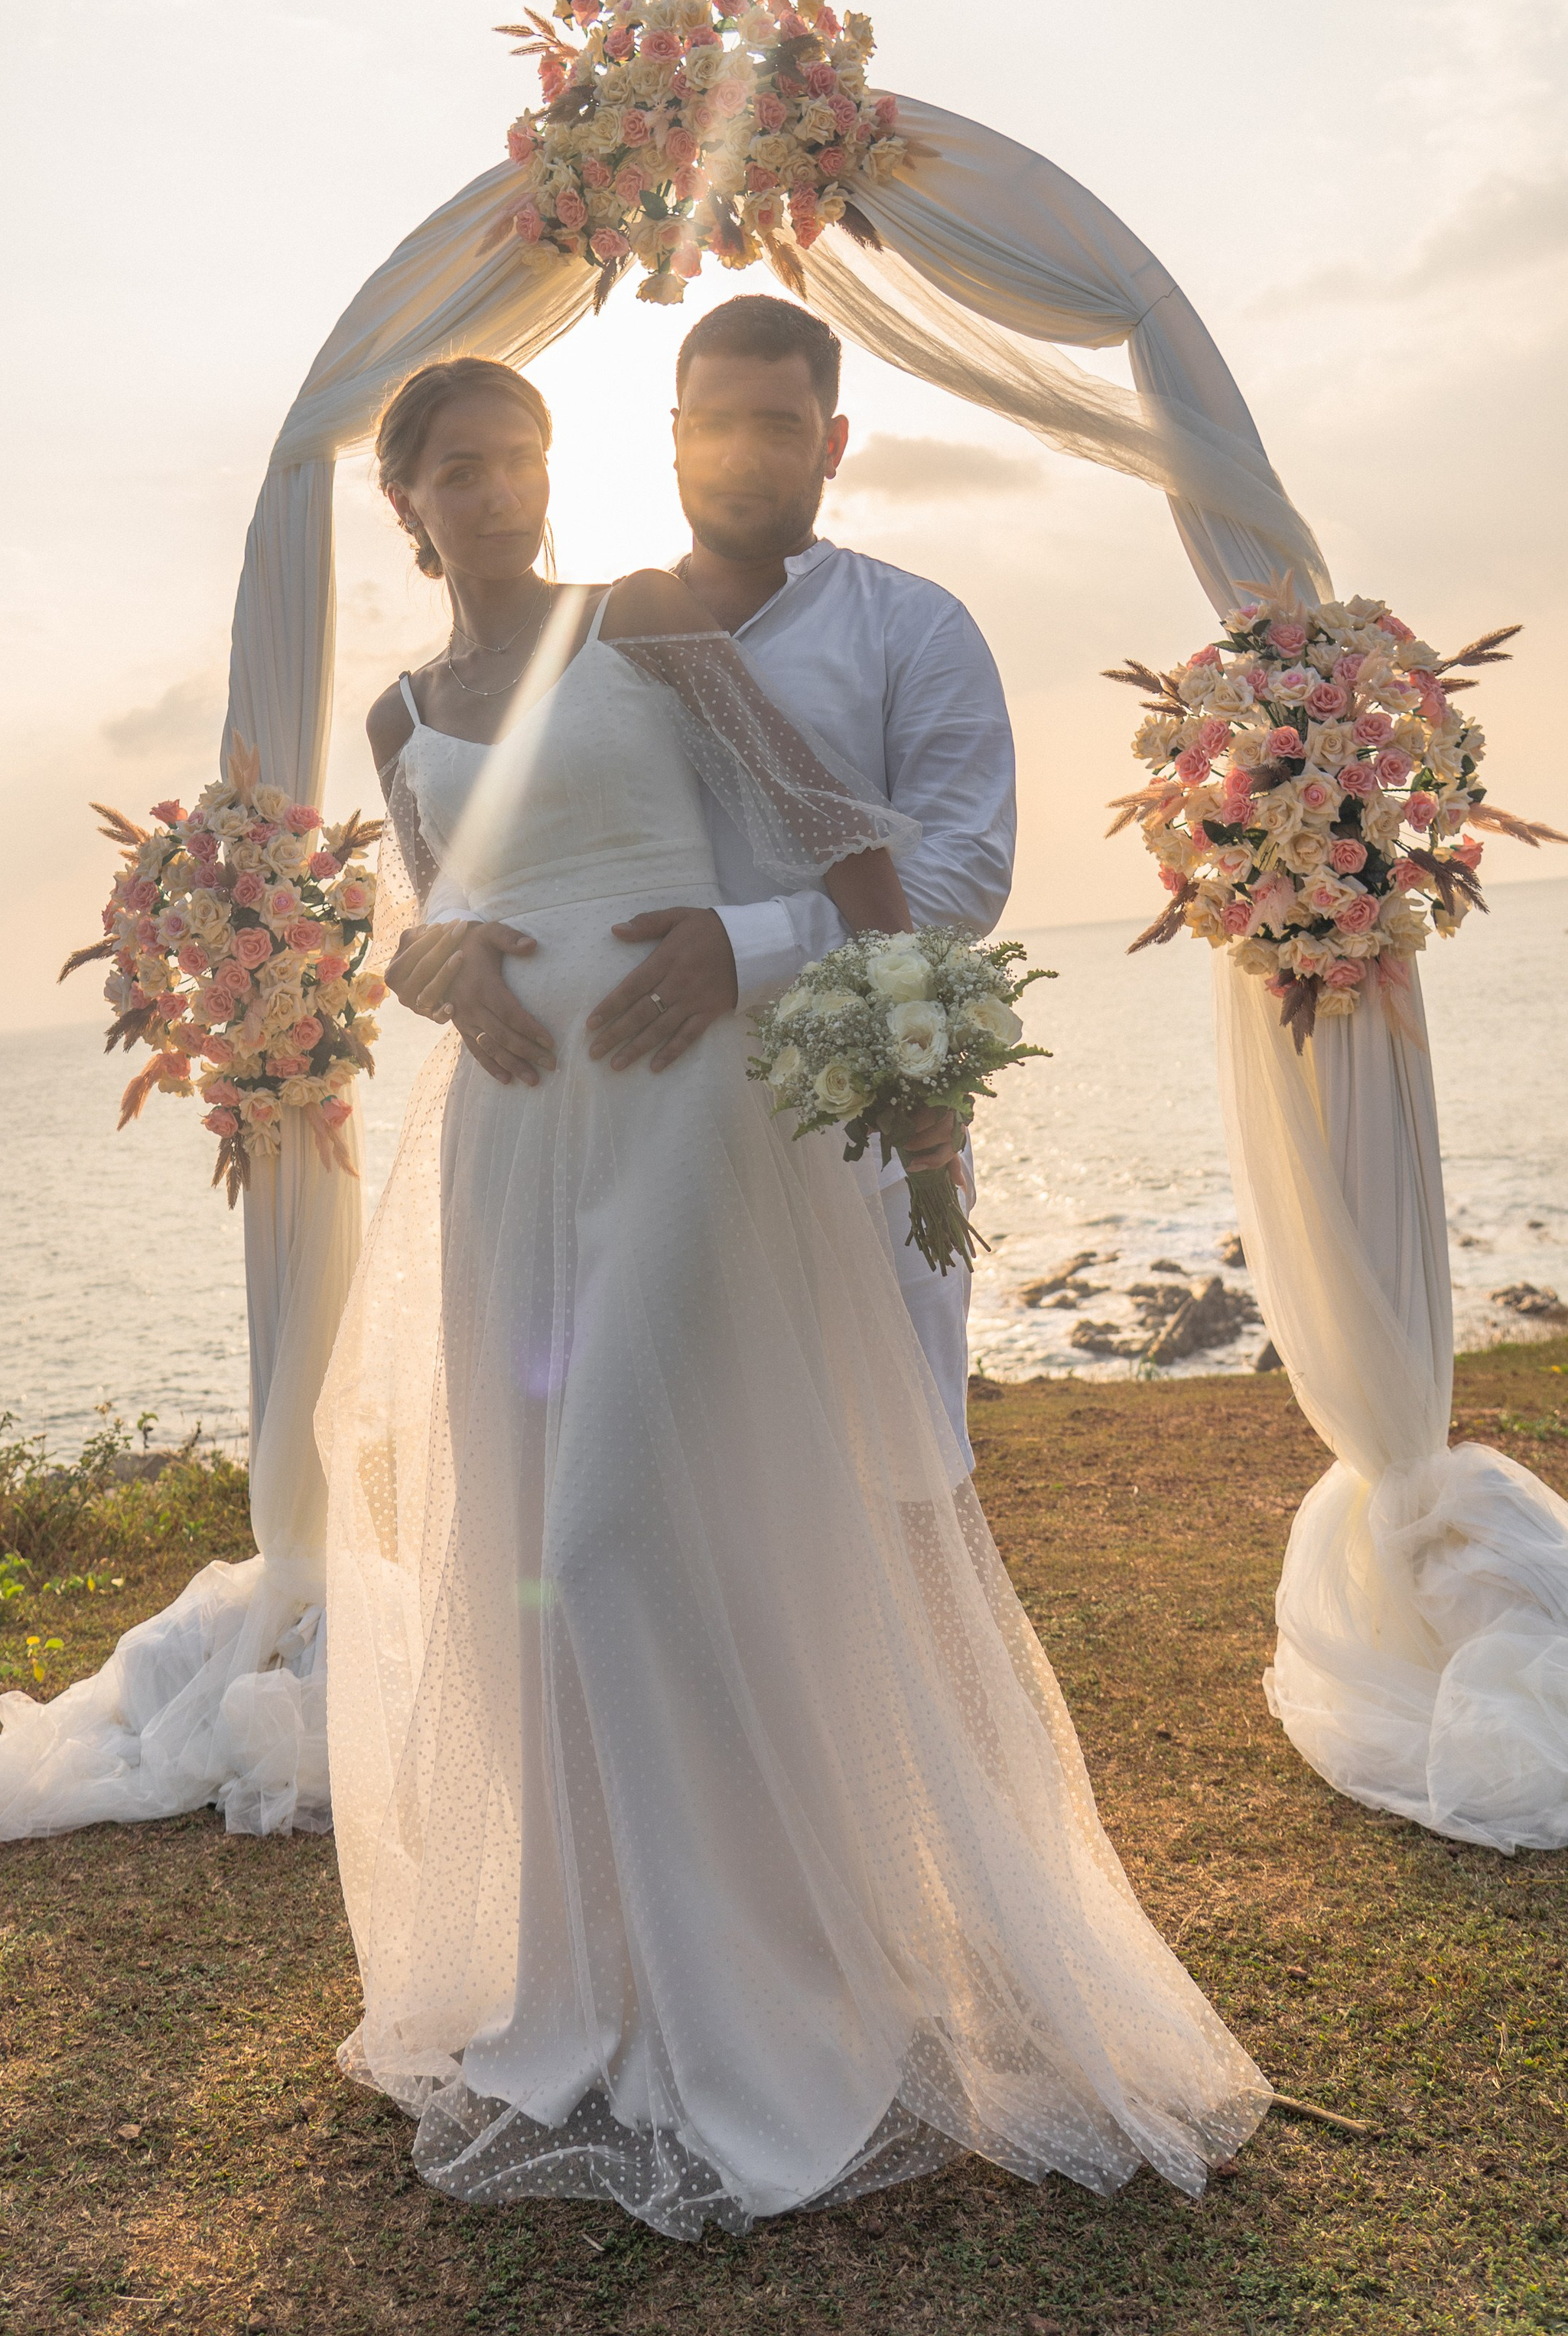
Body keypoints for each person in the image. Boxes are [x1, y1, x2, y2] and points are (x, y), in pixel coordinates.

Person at [317, 352, 1267, 2242]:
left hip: (686, 1106)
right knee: (530, 1543)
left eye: (521, 459)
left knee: (598, 1544)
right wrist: (438, 971)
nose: (498, 493)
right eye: (460, 470)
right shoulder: (392, 711)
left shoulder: (645, 620)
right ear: (403, 502)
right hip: (514, 1137)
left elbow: (850, 842)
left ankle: (773, 2005)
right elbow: (427, 906)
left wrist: (752, 965)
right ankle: (620, 1986)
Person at [383, 294, 1014, 1463]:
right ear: (670, 434)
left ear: (831, 441)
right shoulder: (600, 633)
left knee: (895, 1474)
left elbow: (963, 871)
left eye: (780, 426)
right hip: (612, 1113)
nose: (743, 452)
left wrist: (751, 945)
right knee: (662, 1474)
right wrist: (457, 943)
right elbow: (477, 868)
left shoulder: (913, 629)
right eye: (715, 422)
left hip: (845, 1126)